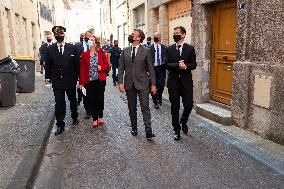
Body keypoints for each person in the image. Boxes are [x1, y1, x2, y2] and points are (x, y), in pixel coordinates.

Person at [118, 29, 157, 139]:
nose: (130, 35)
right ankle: (134, 127)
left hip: (143, 83)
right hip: (129, 83)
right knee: (131, 107)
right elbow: (121, 68)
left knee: (145, 107)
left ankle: (148, 131)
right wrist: (120, 82)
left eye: (133, 34)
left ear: (139, 38)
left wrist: (153, 85)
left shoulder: (146, 51)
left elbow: (151, 68)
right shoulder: (125, 51)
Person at [45, 26, 80, 136]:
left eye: (60, 35)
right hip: (57, 81)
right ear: (55, 37)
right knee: (59, 103)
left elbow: (77, 64)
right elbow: (48, 65)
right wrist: (48, 80)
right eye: (57, 35)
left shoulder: (72, 48)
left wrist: (78, 78)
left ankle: (74, 117)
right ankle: (60, 124)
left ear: (64, 35)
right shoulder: (50, 49)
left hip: (70, 80)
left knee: (73, 100)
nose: (59, 37)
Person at [165, 26, 197, 141]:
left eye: (177, 33)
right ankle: (176, 130)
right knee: (175, 107)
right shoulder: (169, 49)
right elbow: (166, 64)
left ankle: (183, 121)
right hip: (173, 83)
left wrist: (186, 66)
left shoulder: (190, 49)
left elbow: (194, 64)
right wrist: (177, 65)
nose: (175, 35)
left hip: (186, 83)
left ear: (183, 35)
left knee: (188, 105)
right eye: (174, 33)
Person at [79, 36, 109, 128]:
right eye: (89, 40)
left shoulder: (101, 52)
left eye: (92, 40)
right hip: (89, 82)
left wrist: (101, 68)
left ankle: (100, 116)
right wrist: (81, 83)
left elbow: (107, 64)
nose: (90, 42)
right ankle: (95, 118)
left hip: (100, 80)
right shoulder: (85, 54)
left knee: (100, 99)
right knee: (92, 100)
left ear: (96, 43)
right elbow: (82, 70)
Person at [149, 32, 167, 109]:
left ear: (160, 37)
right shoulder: (150, 48)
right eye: (154, 36)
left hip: (161, 68)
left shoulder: (164, 47)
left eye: (157, 36)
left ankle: (159, 96)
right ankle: (155, 101)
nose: (155, 37)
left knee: (162, 84)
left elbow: (167, 57)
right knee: (153, 85)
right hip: (153, 69)